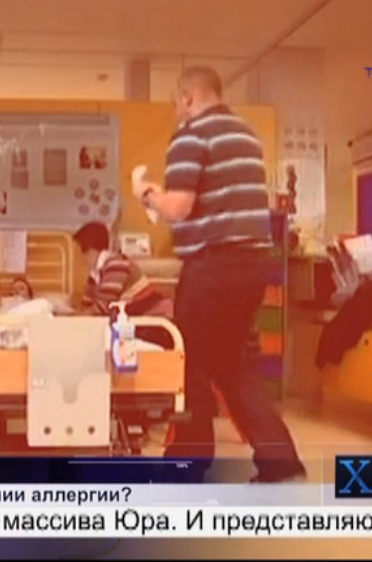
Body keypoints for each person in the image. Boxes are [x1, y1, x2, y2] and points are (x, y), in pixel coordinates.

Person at [132, 66, 306, 483]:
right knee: (233, 363)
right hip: (254, 265)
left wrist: (146, 192)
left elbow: (178, 208)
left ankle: (187, 461)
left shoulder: (191, 135)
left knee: (188, 360)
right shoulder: (247, 137)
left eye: (177, 104)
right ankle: (280, 460)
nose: (177, 112)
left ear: (188, 97)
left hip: (213, 266)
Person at [72, 221, 175, 345]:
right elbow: (87, 305)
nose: (82, 259)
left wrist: (72, 316)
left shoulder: (116, 264)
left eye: (83, 252)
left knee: (108, 338)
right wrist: (70, 312)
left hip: (154, 320)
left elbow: (102, 308)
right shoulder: (96, 274)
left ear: (92, 250)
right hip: (137, 320)